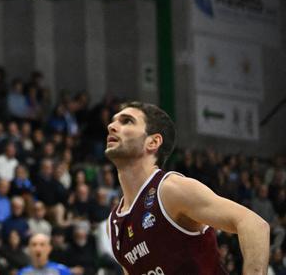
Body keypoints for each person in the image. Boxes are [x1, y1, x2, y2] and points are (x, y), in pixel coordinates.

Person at [106, 101, 270, 274]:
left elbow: (254, 225)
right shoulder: (114, 225)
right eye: (113, 120)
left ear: (153, 142)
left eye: (127, 121)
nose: (111, 126)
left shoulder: (170, 190)